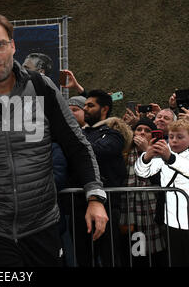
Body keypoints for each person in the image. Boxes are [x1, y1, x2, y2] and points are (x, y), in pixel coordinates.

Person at [0, 12, 108, 267]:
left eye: (0, 45)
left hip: (42, 225)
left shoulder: (42, 87)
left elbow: (77, 145)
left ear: (13, 46)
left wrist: (95, 197)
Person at [135, 119, 189, 266]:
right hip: (171, 222)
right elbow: (142, 173)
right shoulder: (165, 152)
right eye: (171, 137)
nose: (174, 141)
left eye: (180, 137)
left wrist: (170, 158)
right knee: (175, 261)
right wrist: (147, 156)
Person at [74, 89, 127, 267]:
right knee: (83, 258)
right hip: (79, 206)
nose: (85, 108)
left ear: (104, 109)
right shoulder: (80, 133)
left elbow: (94, 153)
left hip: (108, 207)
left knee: (109, 258)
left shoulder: (114, 135)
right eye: (85, 105)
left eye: (90, 105)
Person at [119, 118, 166, 267]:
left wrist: (147, 152)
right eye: (139, 129)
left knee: (156, 254)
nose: (142, 133)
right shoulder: (125, 153)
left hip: (152, 212)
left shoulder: (161, 154)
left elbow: (160, 180)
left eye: (147, 130)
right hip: (130, 212)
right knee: (135, 252)